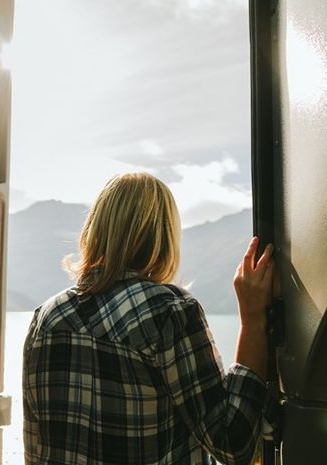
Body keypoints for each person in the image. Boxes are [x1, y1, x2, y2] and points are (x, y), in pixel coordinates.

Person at [23, 172, 274, 465]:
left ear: (96, 228)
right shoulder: (169, 312)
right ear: (164, 235)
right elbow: (232, 444)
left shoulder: (46, 318)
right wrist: (252, 320)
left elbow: (36, 447)